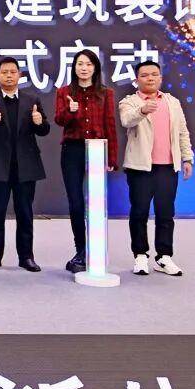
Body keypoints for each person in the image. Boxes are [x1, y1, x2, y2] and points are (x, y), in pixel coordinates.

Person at [0, 56, 51, 272]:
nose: (9, 76)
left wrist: (39, 122)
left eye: (13, 72)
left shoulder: (32, 99)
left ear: (19, 75)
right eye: (4, 72)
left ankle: (26, 257)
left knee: (25, 213)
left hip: (26, 166)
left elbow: (45, 130)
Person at [118, 60, 195, 276]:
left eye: (154, 74)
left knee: (166, 213)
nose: (150, 78)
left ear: (160, 78)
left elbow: (183, 132)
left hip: (168, 167)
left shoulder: (172, 102)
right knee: (139, 212)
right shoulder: (129, 102)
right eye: (144, 75)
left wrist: (187, 158)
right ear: (137, 80)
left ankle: (164, 256)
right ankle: (140, 255)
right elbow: (126, 120)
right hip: (140, 167)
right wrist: (143, 110)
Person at [54, 49, 119, 273]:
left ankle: (95, 250)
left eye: (89, 64)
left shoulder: (106, 93)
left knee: (96, 203)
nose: (84, 68)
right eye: (80, 64)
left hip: (97, 150)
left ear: (95, 68)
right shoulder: (64, 92)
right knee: (75, 202)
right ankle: (81, 250)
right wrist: (71, 111)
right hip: (72, 150)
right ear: (74, 67)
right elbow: (59, 120)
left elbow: (110, 125)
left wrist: (112, 157)